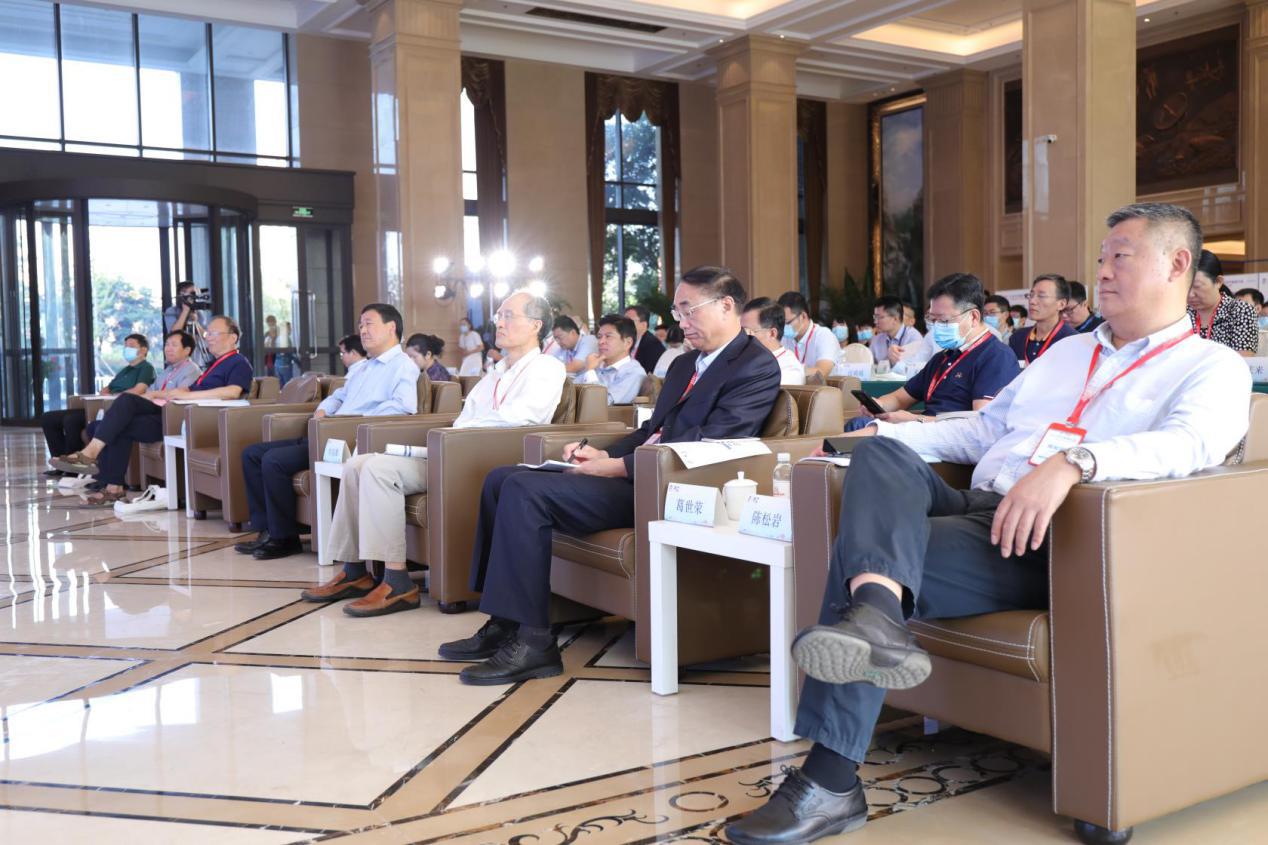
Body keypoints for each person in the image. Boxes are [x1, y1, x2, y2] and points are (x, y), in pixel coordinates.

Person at [725, 202, 1252, 845]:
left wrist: (1073, 463)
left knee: (863, 559)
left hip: (1057, 539)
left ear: (1176, 264)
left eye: (1121, 257)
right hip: (980, 503)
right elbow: (986, 429)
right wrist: (869, 437)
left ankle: (831, 779)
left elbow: (1189, 445)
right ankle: (878, 619)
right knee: (880, 457)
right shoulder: (1067, 354)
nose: (1103, 271)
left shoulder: (1211, 366)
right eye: (1101, 258)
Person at [440, 266, 782, 685]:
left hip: (672, 486)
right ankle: (504, 622)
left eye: (688, 310)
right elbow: (651, 430)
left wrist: (619, 466)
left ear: (727, 305)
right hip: (638, 472)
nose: (681, 322)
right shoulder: (684, 364)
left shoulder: (754, 365)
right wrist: (602, 453)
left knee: (525, 491)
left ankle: (534, 643)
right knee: (501, 479)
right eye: (678, 312)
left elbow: (715, 441)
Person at [300, 291, 564, 617]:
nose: (499, 322)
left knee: (379, 470)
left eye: (509, 315)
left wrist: (454, 436)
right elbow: (466, 418)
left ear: (536, 325)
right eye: (499, 315)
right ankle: (354, 571)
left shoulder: (546, 368)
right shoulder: (496, 372)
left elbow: (522, 419)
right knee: (357, 464)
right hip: (455, 451)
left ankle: (398, 582)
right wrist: (449, 438)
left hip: (485, 458)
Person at [235, 304, 420, 561]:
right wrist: (323, 409)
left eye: (369, 324)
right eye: (360, 325)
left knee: (274, 461)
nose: (362, 330)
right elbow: (338, 396)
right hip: (327, 432)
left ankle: (284, 538)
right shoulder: (364, 367)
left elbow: (402, 407)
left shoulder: (402, 366)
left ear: (391, 328)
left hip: (349, 437)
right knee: (252, 454)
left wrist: (351, 421)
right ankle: (266, 530)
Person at [48, 317, 252, 506]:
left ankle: (91, 455)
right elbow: (188, 390)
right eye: (207, 333)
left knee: (125, 405)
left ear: (233, 337)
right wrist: (169, 393)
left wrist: (186, 396)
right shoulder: (214, 365)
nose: (207, 338)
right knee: (120, 419)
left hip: (188, 417)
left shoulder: (238, 362)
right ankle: (113, 488)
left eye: (213, 333)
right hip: (174, 408)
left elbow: (233, 392)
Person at [844, 274, 1017, 431]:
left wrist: (916, 420)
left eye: (943, 320)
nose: (936, 327)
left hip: (951, 441)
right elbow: (900, 398)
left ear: (973, 317)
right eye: (933, 320)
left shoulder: (996, 356)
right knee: (859, 423)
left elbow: (982, 423)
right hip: (924, 431)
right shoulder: (943, 357)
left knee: (863, 429)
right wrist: (879, 404)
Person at [41, 333, 157, 468]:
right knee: (48, 418)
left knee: (71, 420)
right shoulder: (125, 370)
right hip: (101, 404)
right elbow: (106, 389)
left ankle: (73, 467)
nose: (127, 350)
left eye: (131, 346)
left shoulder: (146, 368)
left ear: (143, 350)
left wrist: (115, 395)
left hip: (115, 408)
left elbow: (139, 390)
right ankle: (60, 464)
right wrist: (108, 392)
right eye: (125, 346)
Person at [1187, 250, 1259, 356]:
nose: (1190, 294)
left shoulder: (1240, 311)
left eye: (1197, 286)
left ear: (1218, 282)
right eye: (1185, 287)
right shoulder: (1182, 314)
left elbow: (1242, 360)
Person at [576, 315, 647, 405]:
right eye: (599, 336)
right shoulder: (597, 365)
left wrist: (590, 371)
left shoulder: (634, 372)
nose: (601, 342)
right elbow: (571, 392)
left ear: (627, 343)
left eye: (608, 336)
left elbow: (603, 403)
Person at [1009, 274, 1077, 364]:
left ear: (1061, 304)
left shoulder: (1072, 340)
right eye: (1031, 295)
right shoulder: (1017, 337)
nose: (1032, 301)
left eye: (1041, 296)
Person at [742, 298, 805, 385]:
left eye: (748, 332)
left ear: (772, 334)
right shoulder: (749, 359)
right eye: (740, 332)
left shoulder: (789, 370)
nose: (742, 338)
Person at [778, 291, 839, 380]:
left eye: (787, 323)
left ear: (803, 316)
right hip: (795, 387)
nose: (783, 328)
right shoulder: (784, 338)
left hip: (823, 388)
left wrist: (791, 372)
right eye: (781, 324)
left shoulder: (824, 336)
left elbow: (821, 373)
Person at [163, 281, 211, 366]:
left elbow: (206, 336)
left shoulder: (199, 313)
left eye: (194, 293)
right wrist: (185, 311)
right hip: (178, 360)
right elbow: (174, 332)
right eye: (191, 293)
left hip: (197, 358)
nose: (193, 297)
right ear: (181, 294)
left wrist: (196, 322)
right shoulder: (172, 311)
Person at [868, 296, 922, 366]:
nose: (875, 322)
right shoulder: (877, 339)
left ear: (895, 319)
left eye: (880, 317)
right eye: (875, 317)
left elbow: (914, 367)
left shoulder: (913, 338)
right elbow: (868, 365)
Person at [624, 304, 666, 374]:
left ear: (644, 325)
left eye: (629, 321)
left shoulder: (653, 345)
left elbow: (648, 375)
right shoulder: (625, 341)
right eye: (623, 321)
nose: (624, 325)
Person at [1235, 287, 1268, 353]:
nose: (1237, 309)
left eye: (1242, 305)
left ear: (1258, 308)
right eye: (1235, 305)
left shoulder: (1265, 330)